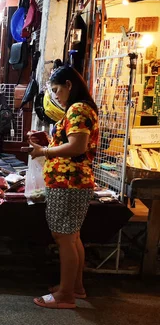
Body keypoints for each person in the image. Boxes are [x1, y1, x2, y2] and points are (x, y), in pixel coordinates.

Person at [29, 66, 99, 309]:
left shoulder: (78, 109)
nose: (56, 96)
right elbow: (70, 143)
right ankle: (74, 287)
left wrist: (44, 151)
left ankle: (65, 296)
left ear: (70, 85)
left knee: (64, 238)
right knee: (72, 236)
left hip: (68, 182)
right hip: (72, 181)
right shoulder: (80, 109)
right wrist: (46, 141)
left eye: (58, 90)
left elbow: (77, 147)